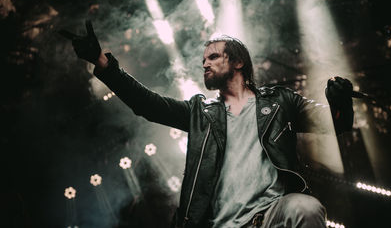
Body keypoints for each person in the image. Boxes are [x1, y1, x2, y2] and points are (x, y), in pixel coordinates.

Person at [60, 21, 354, 228]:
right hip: (221, 222)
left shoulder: (279, 101)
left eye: (213, 57)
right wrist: (101, 62)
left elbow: (333, 123)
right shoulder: (200, 112)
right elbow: (146, 104)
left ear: (238, 62)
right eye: (203, 59)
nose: (204, 64)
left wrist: (340, 101)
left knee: (307, 208)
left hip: (272, 215)